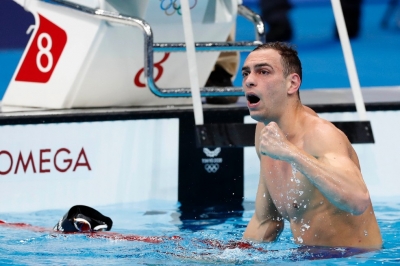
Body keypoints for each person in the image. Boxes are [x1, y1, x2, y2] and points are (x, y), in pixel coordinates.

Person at [241, 42, 382, 248]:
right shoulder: (266, 131)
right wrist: (232, 257)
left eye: (263, 72)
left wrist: (291, 153)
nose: (249, 81)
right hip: (306, 258)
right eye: (246, 73)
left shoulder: (320, 135)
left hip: (351, 259)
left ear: (292, 83)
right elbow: (266, 221)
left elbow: (358, 200)